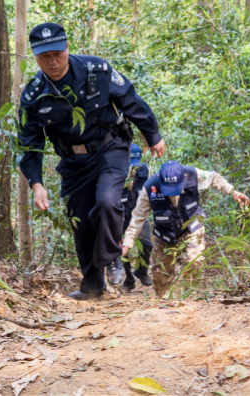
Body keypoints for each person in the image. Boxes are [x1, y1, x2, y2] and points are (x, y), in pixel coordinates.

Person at [18, 22, 165, 300]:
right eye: (45, 57)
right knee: (81, 221)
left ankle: (111, 257)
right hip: (73, 163)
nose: (53, 62)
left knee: (109, 200)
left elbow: (130, 99)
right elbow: (29, 144)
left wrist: (152, 134)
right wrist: (36, 184)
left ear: (67, 48)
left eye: (57, 54)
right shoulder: (33, 96)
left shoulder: (96, 70)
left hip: (110, 148)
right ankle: (92, 285)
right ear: (35, 57)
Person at [122, 160, 250, 297]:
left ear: (183, 177)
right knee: (161, 272)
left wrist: (232, 191)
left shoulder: (193, 174)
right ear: (160, 178)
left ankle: (189, 295)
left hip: (192, 226)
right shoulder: (150, 188)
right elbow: (138, 217)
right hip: (165, 232)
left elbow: (213, 177)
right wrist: (128, 242)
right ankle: (163, 299)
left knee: (194, 261)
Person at [108, 144, 153, 292]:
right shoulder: (114, 174)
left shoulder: (143, 171)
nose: (133, 170)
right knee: (123, 249)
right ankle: (129, 279)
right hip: (119, 216)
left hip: (137, 216)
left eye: (135, 166)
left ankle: (141, 271)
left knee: (147, 245)